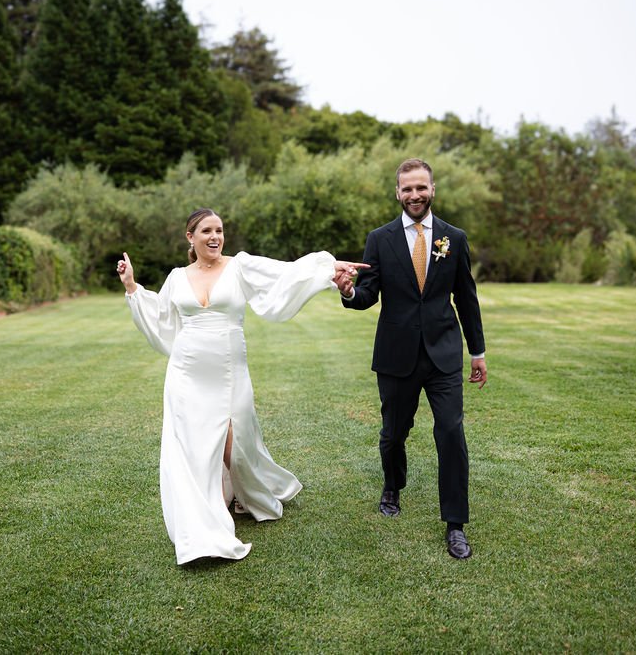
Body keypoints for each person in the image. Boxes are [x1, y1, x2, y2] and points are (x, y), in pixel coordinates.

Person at [117, 208, 368, 565]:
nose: (215, 236)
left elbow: (285, 272)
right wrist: (131, 287)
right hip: (186, 372)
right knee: (192, 444)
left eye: (219, 230)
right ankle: (203, 518)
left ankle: (243, 492)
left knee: (237, 443)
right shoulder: (177, 276)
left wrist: (328, 270)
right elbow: (160, 317)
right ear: (191, 237)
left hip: (230, 369)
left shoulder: (240, 267)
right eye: (206, 231)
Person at [336, 158, 487, 560]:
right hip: (396, 355)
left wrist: (478, 352)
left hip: (443, 354)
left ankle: (455, 524)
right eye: (407, 189)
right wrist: (349, 291)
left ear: (432, 189)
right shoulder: (380, 239)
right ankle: (392, 485)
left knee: (451, 434)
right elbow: (367, 295)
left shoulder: (453, 238)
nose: (415, 195)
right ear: (398, 193)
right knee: (393, 434)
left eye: (421, 188)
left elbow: (466, 298)